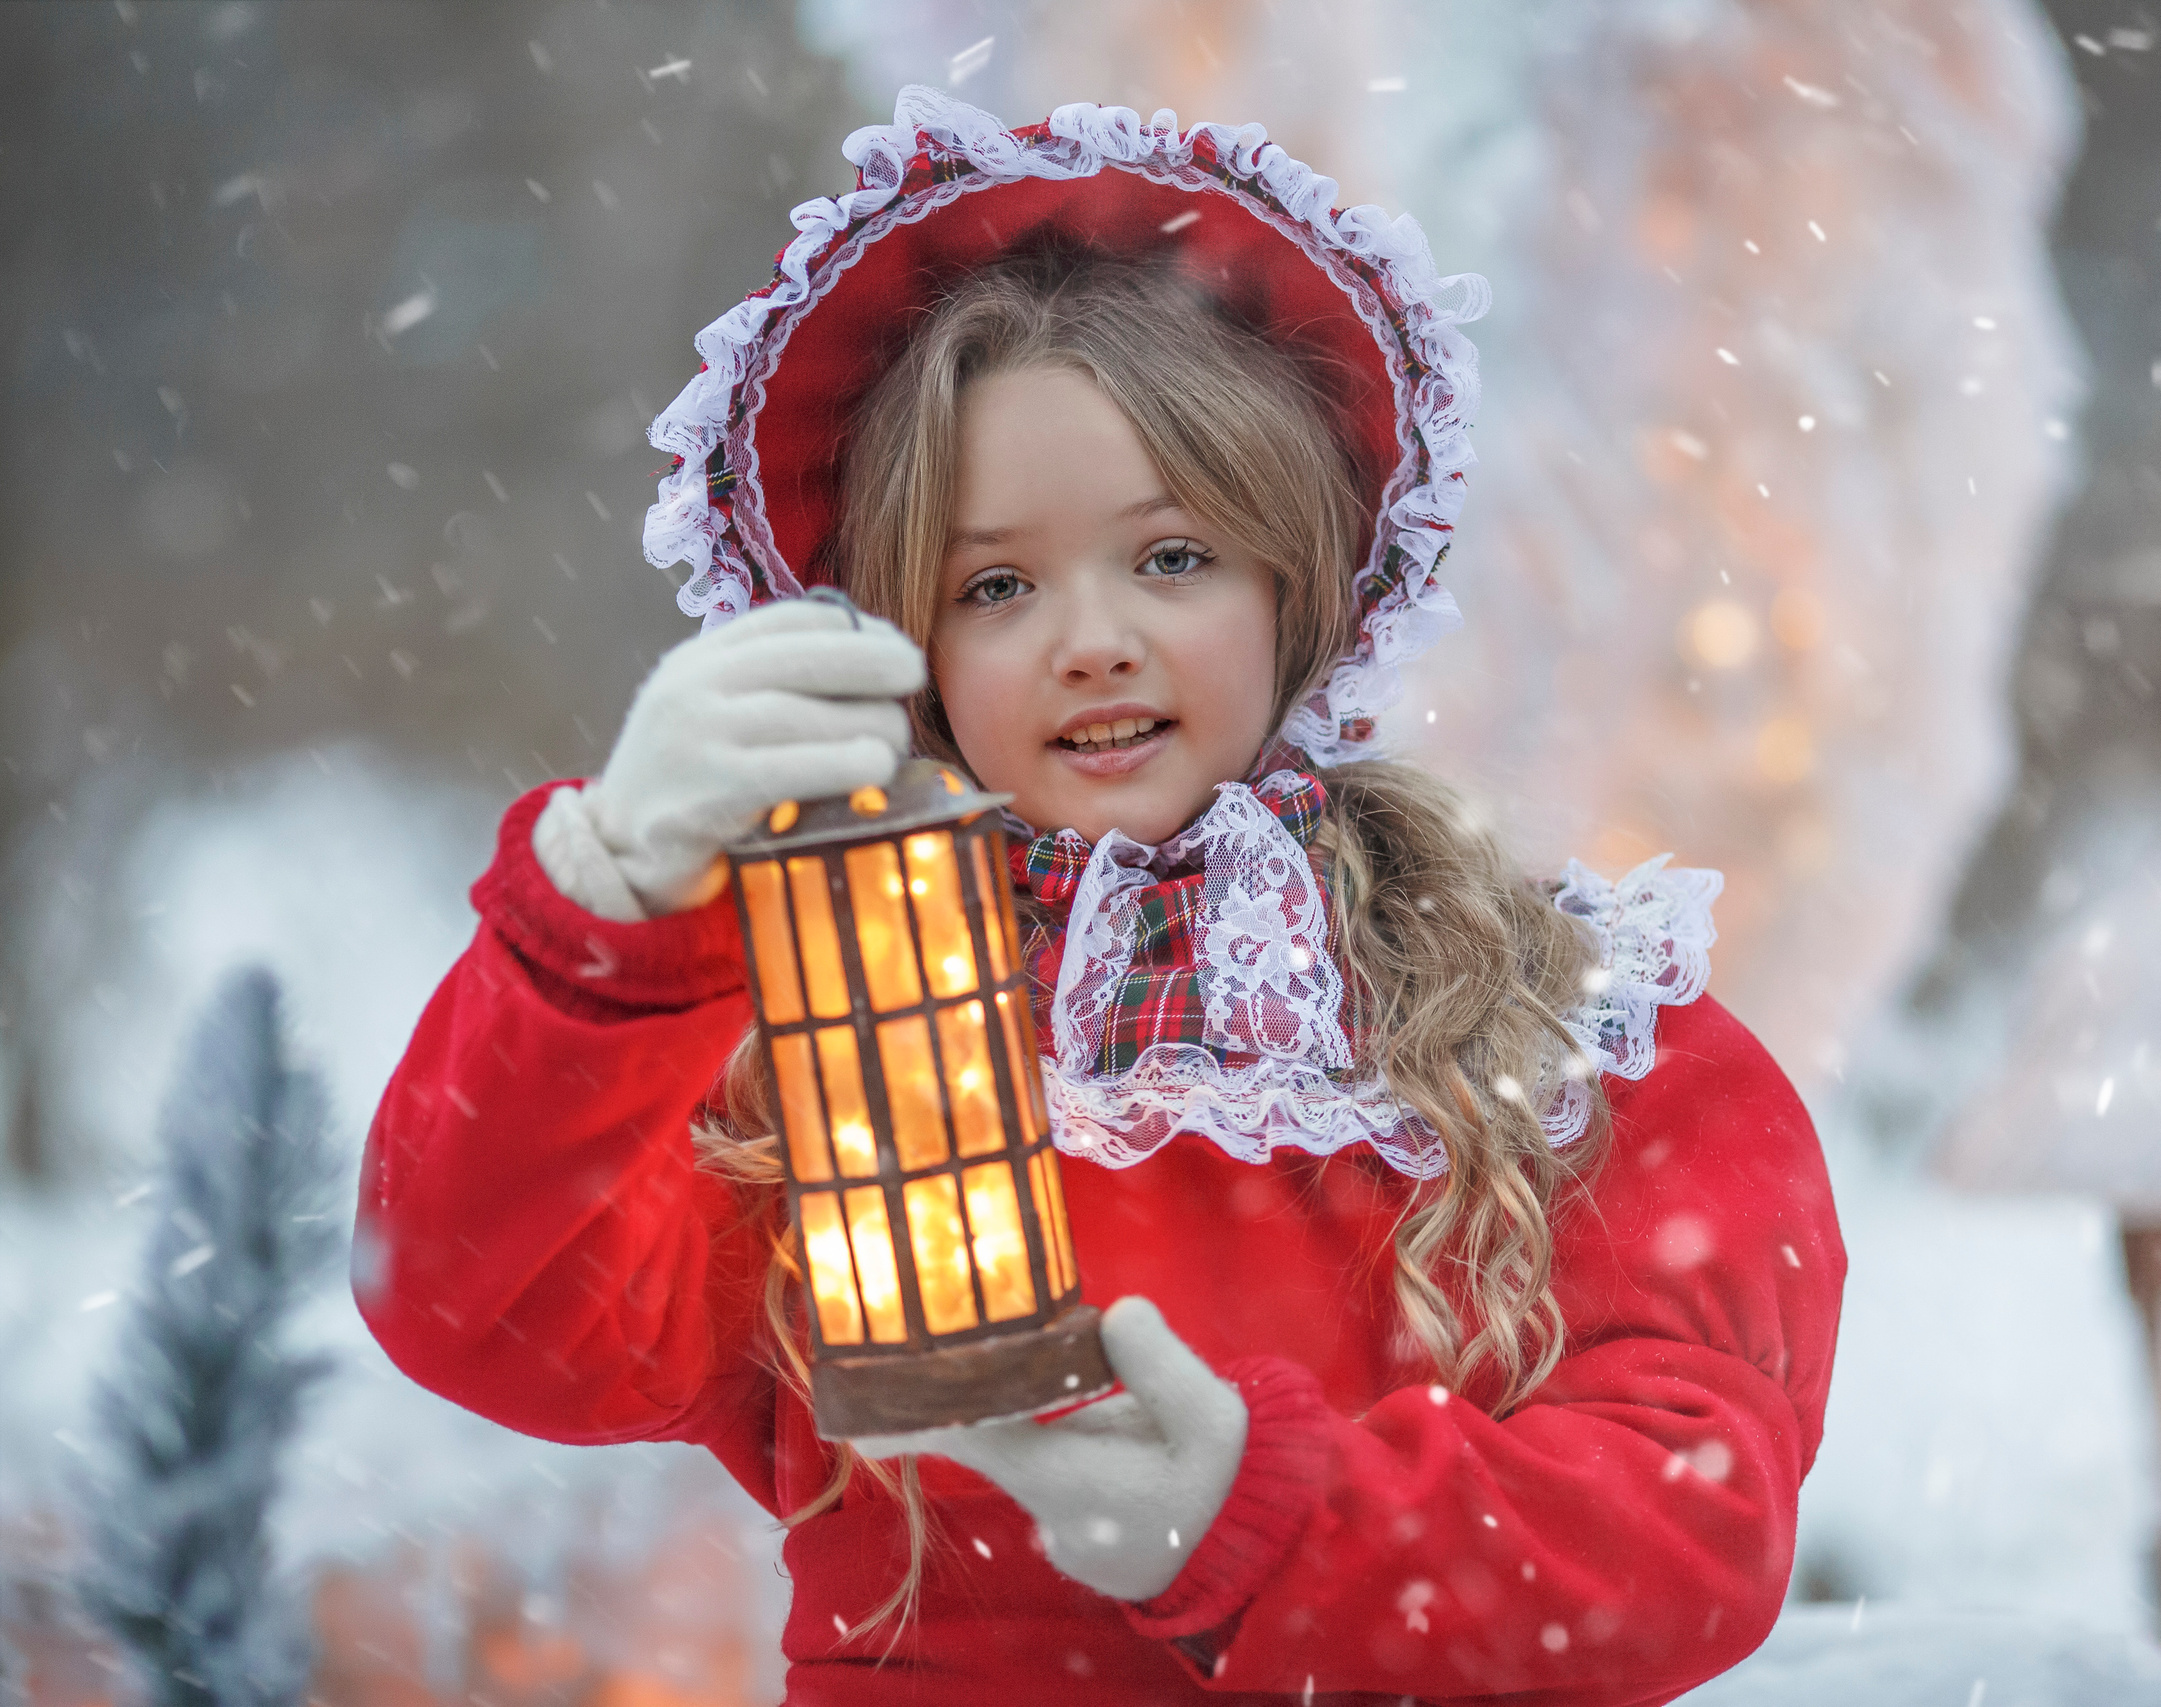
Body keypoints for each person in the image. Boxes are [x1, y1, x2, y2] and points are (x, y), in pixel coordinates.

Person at [358, 88, 1844, 1705]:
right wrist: (613, 908)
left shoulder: (1566, 1020)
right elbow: (489, 1312)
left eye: (1172, 556)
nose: (1091, 641)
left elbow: (1692, 1518)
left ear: (1298, 579)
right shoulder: (816, 1025)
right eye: (996, 586)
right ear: (905, 646)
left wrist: (1267, 1519)